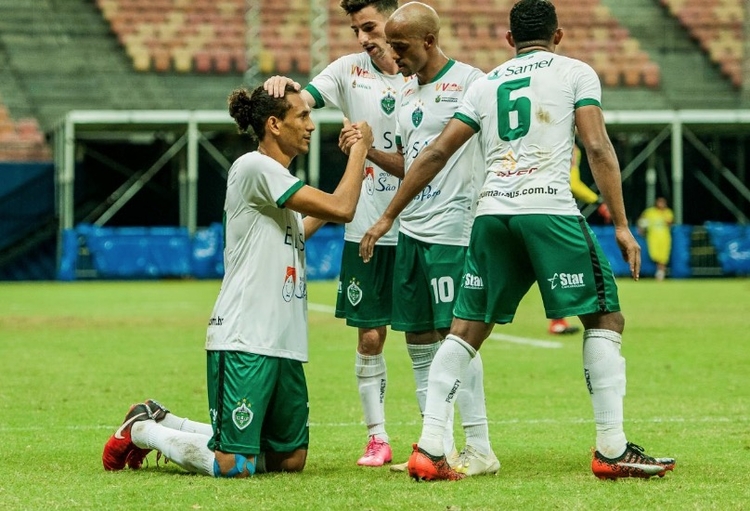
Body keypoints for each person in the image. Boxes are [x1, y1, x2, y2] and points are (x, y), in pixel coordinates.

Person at [360, 0, 676, 481]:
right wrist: (622, 225)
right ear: (559, 35)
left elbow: (437, 152)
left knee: (464, 330)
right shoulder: (575, 72)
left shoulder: (485, 83)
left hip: (491, 217)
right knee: (605, 315)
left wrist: (386, 215)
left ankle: (430, 448)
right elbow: (596, 145)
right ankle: (612, 449)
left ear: (509, 40)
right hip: (547, 209)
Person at [102, 84, 374, 477]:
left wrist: (356, 176)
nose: (311, 126)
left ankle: (166, 420)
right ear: (274, 124)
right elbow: (342, 208)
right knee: (234, 464)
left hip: (284, 340)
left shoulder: (274, 178)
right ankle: (144, 430)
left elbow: (311, 221)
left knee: (289, 460)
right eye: (303, 116)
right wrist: (361, 152)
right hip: (245, 335)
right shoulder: (254, 166)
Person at [342, 1, 499, 476]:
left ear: (429, 41)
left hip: (453, 233)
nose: (393, 55)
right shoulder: (408, 93)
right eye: (390, 45)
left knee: (458, 339)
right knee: (418, 338)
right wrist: (368, 150)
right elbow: (415, 163)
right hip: (412, 230)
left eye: (402, 46)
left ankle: (479, 445)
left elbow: (460, 152)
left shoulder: (473, 82)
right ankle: (436, 442)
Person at [264, 0, 403, 467]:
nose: (363, 38)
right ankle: (377, 437)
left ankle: (436, 434)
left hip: (424, 226)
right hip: (365, 229)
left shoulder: (425, 72)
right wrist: (283, 88)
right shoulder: (348, 70)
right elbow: (303, 99)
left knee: (436, 336)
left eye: (370, 27)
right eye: (356, 30)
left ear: (395, 17)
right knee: (369, 339)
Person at [549, 144, 611, 335]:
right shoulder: (570, 147)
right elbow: (572, 183)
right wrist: (599, 201)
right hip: (553, 211)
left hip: (515, 205)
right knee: (565, 263)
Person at [638, 197, 674, 281]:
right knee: (654, 256)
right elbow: (642, 220)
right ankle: (659, 271)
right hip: (653, 238)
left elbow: (670, 222)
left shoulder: (667, 212)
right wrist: (641, 229)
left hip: (664, 238)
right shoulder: (650, 212)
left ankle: (660, 273)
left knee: (663, 256)